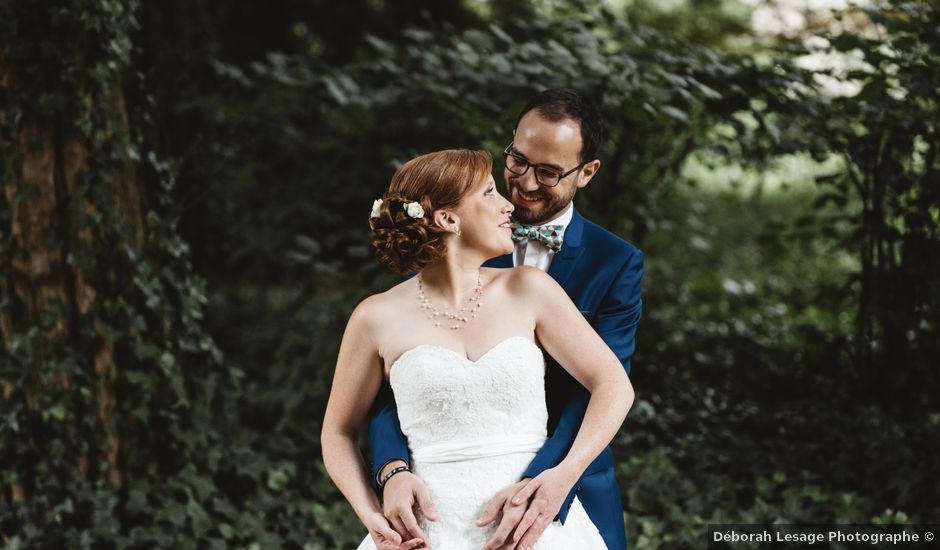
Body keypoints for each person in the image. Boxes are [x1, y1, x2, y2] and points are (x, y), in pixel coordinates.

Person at [370, 89, 644, 550]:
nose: (525, 184)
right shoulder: (459, 230)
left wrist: (549, 482)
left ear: (587, 173)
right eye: (517, 161)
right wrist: (392, 469)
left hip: (567, 483)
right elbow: (400, 379)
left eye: (550, 172)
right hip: (442, 501)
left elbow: (602, 383)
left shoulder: (613, 262)